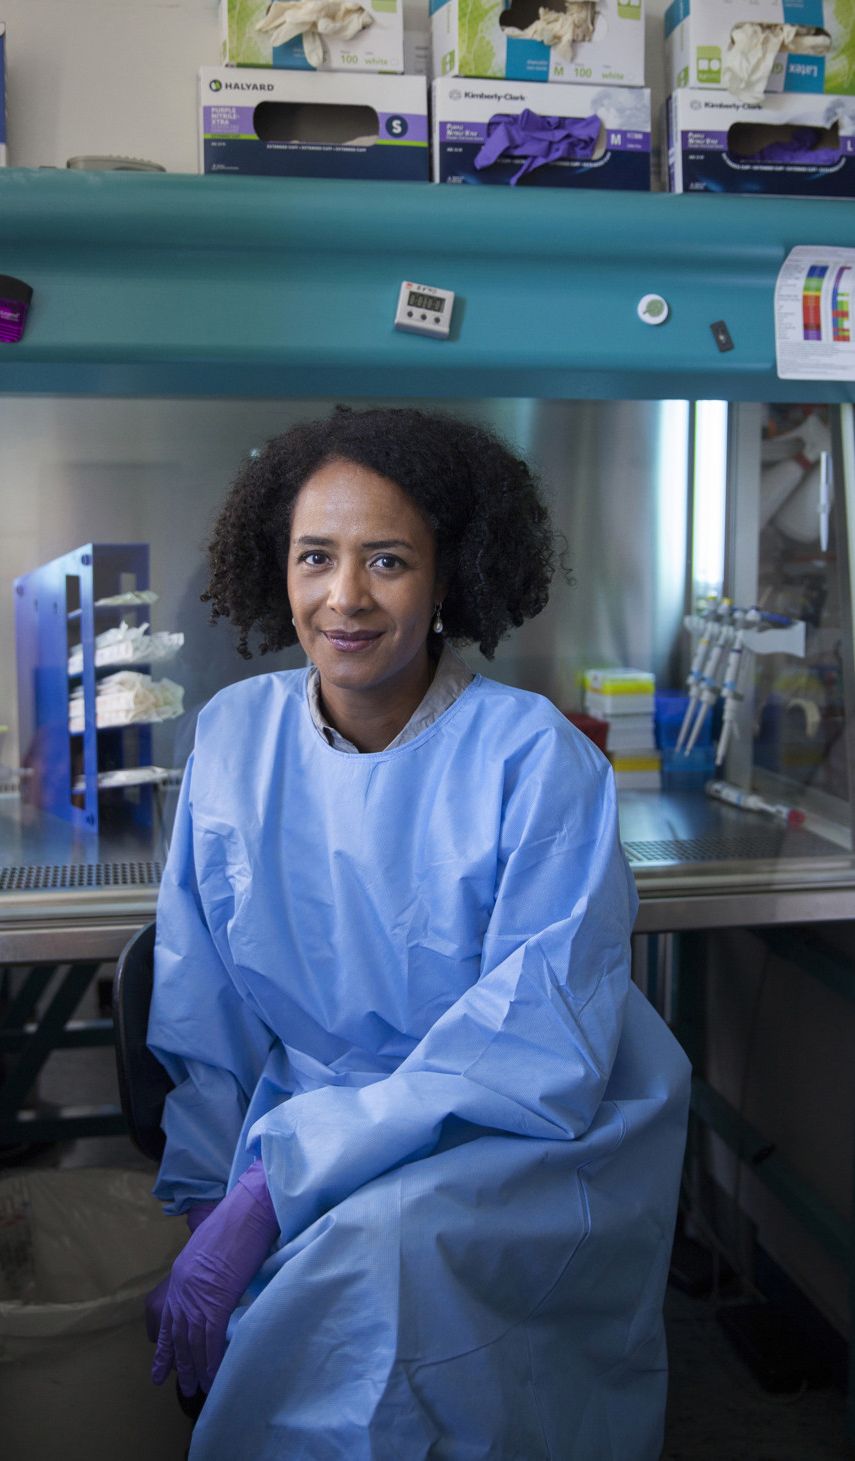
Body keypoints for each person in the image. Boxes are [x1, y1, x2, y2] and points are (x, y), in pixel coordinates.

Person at [147, 405, 690, 1461]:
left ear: (448, 580)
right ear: (280, 570)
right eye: (316, 557)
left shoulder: (535, 759)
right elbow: (200, 998)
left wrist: (281, 1183)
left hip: (507, 1135)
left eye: (388, 560)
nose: (345, 596)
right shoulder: (234, 737)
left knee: (380, 1259)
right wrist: (213, 1195)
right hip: (300, 1122)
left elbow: (529, 1048)